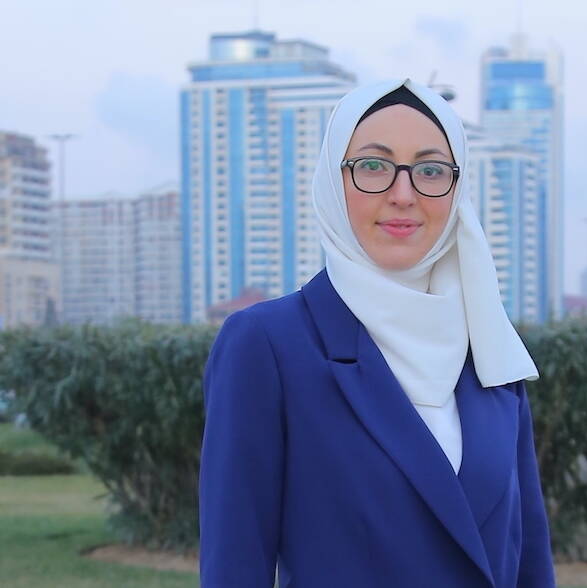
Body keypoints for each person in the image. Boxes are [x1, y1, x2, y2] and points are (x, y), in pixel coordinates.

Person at [199, 78, 555, 588]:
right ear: (332, 181)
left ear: (458, 189)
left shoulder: (488, 348)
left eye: (431, 170)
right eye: (373, 166)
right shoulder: (268, 345)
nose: (403, 195)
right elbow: (235, 566)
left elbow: (529, 563)